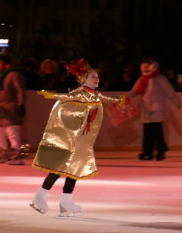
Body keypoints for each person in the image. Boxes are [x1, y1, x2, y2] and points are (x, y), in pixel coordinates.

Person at [29, 59, 124, 217]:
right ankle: (40, 195)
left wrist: (118, 101)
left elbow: (104, 98)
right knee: (60, 168)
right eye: (93, 77)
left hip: (82, 140)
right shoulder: (79, 93)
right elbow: (66, 97)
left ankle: (66, 201)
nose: (97, 79)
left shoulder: (95, 94)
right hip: (72, 139)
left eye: (97, 77)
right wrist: (52, 95)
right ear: (83, 79)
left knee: (74, 170)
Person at [129, 58, 182, 160]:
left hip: (158, 108)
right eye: (144, 66)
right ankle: (147, 152)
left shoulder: (160, 79)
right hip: (146, 108)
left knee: (157, 131)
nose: (146, 68)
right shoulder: (142, 79)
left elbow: (170, 91)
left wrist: (177, 102)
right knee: (147, 131)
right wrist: (125, 98)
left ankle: (161, 151)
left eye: (148, 66)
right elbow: (134, 91)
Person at [0, 54, 27, 165]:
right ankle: (3, 151)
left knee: (11, 130)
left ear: (6, 64)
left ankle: (17, 152)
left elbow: (20, 90)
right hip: (1, 108)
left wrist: (21, 105)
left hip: (11, 107)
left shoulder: (13, 75)